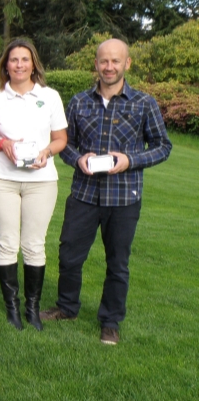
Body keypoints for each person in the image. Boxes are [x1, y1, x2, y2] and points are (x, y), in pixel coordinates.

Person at [40, 38, 172, 345]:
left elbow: (163, 146)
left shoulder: (144, 103)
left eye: (115, 61)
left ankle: (110, 320)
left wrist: (130, 160)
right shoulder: (78, 102)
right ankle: (67, 307)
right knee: (70, 256)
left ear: (127, 64)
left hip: (124, 198)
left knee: (117, 263)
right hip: (84, 194)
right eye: (103, 61)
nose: (109, 67)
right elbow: (64, 144)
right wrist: (77, 158)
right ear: (96, 64)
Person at [0, 39, 67, 331]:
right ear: (6, 64)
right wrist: (3, 143)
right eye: (14, 60)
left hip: (41, 182)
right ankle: (12, 309)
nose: (19, 65)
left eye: (24, 60)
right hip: (2, 180)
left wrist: (46, 152)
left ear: (33, 64)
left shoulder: (50, 96)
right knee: (7, 243)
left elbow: (60, 139)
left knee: (34, 245)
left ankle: (32, 309)